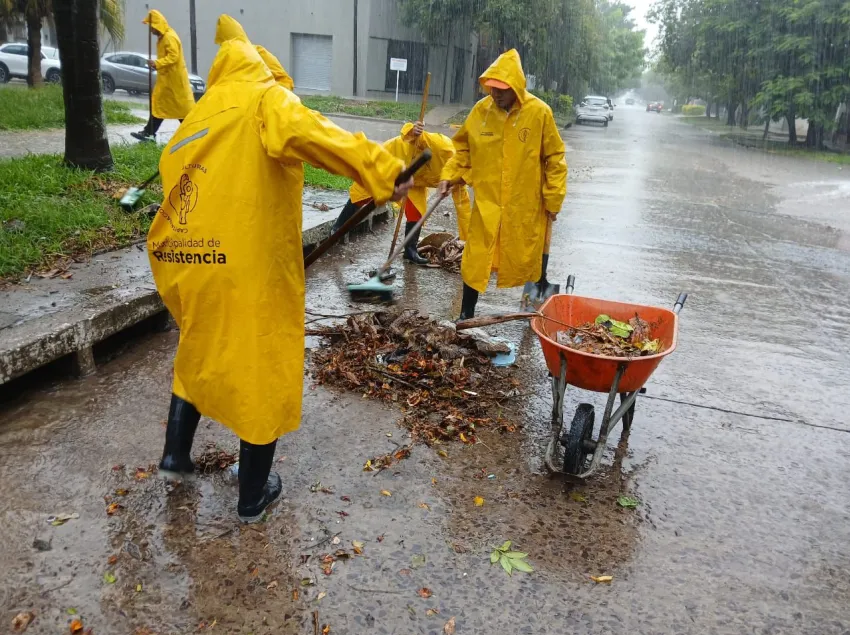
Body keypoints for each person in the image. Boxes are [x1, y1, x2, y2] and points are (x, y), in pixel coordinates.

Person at [147, 14, 412, 523]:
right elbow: (319, 133)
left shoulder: (198, 117)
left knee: (197, 351)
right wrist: (383, 169)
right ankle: (253, 495)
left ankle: (175, 458)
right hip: (247, 266)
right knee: (262, 364)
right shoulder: (264, 100)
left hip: (187, 261)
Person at [439, 49, 567, 319]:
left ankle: (533, 310)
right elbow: (463, 150)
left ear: (516, 87)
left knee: (530, 254)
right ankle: (466, 314)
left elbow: (554, 158)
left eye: (502, 89)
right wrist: (449, 175)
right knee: (475, 259)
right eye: (492, 88)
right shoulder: (481, 112)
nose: (495, 94)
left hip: (525, 204)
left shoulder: (539, 113)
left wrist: (553, 199)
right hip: (487, 203)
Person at [332, 121, 472, 263]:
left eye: (464, 181)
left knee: (416, 211)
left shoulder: (458, 183)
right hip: (395, 159)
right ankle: (337, 228)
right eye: (462, 179)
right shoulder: (444, 147)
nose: (461, 182)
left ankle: (410, 251)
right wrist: (413, 130)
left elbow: (464, 211)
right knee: (363, 193)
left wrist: (467, 246)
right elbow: (415, 136)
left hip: (415, 180)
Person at [131, 10, 196, 142]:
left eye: (151, 27)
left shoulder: (169, 37)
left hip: (174, 81)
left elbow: (173, 56)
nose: (150, 30)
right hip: (167, 80)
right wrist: (157, 64)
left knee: (180, 109)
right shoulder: (163, 37)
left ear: (157, 25)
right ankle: (149, 132)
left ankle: (193, 133)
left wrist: (157, 63)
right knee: (160, 106)